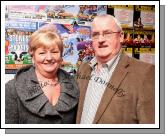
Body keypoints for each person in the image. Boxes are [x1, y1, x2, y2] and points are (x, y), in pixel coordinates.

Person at [76, 14, 155, 124]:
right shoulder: (83, 68)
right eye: (95, 34)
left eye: (107, 33)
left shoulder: (145, 73)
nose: (100, 39)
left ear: (121, 36)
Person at [5, 24, 79, 124]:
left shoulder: (74, 85)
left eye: (54, 52)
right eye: (42, 53)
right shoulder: (12, 88)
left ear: (61, 57)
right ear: (33, 57)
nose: (49, 58)